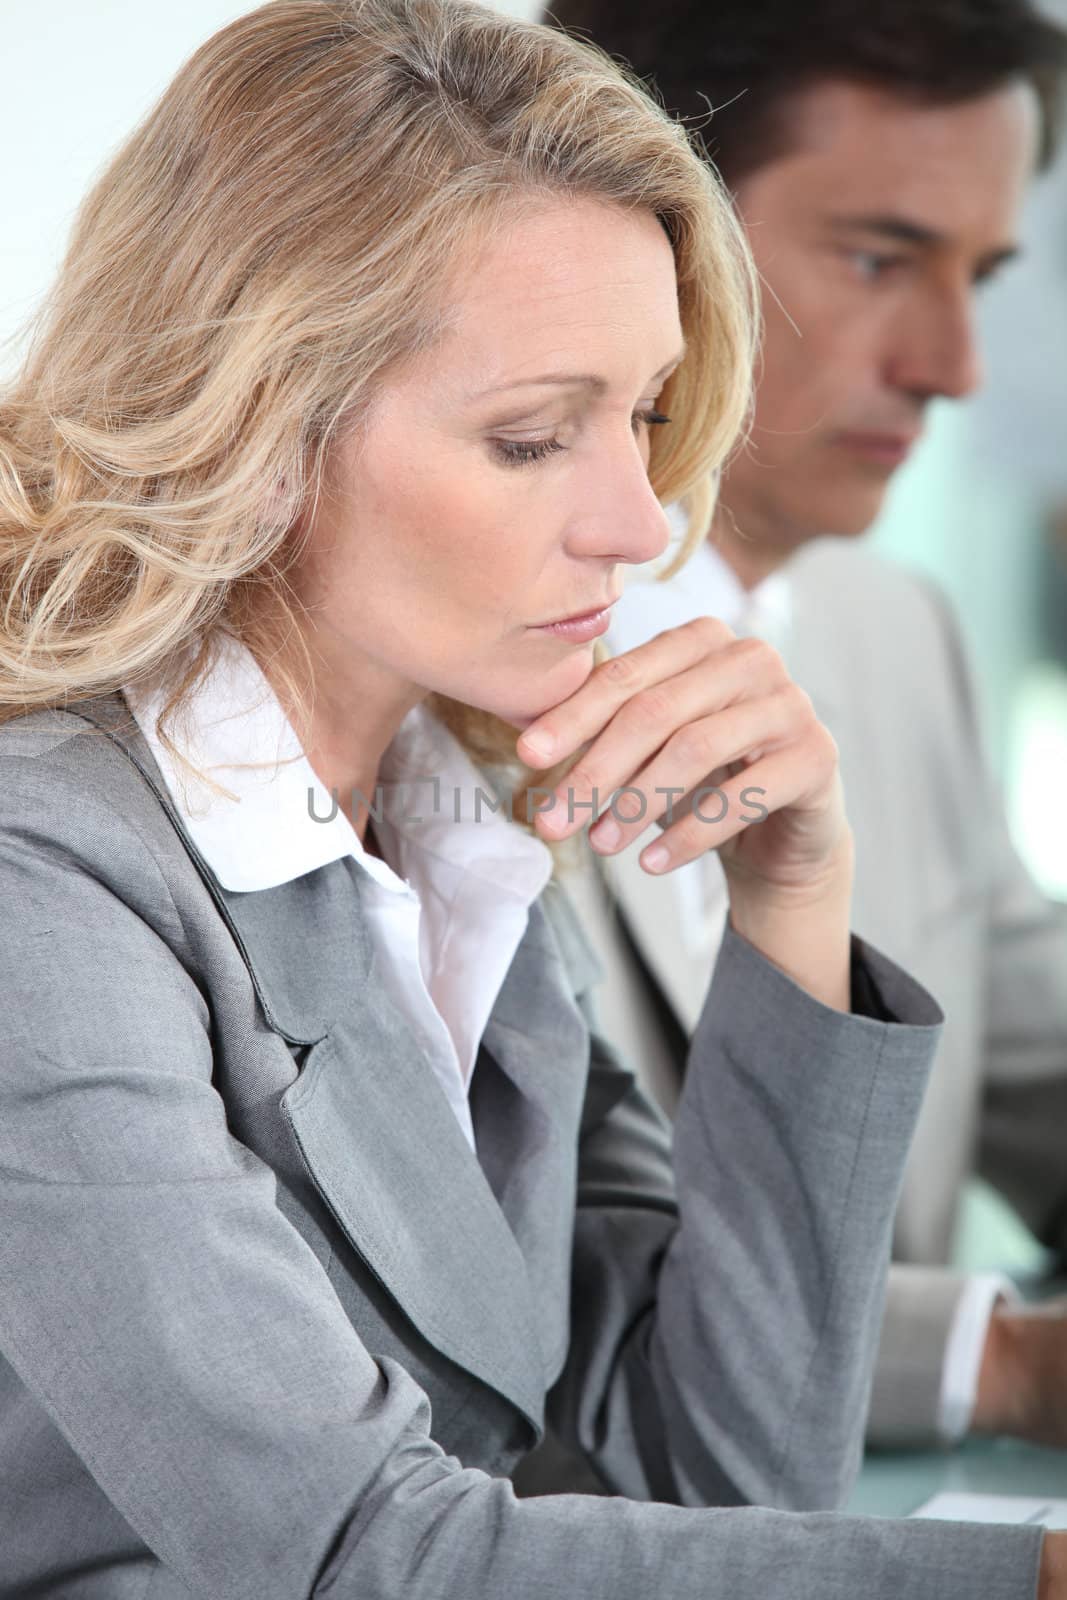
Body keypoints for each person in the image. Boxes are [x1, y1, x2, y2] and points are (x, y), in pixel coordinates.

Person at [0, 0, 1063, 1595]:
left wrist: (795, 901)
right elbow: (359, 1559)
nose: (642, 523)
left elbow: (729, 1470)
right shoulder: (46, 868)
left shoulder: (453, 815)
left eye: (639, 416)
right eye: (529, 438)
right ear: (262, 418)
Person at [540, 0, 1067, 1456]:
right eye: (881, 257)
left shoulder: (896, 633)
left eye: (985, 273)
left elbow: (1040, 1062)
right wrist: (1007, 1361)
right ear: (644, 222)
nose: (954, 364)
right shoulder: (429, 685)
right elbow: (529, 1291)